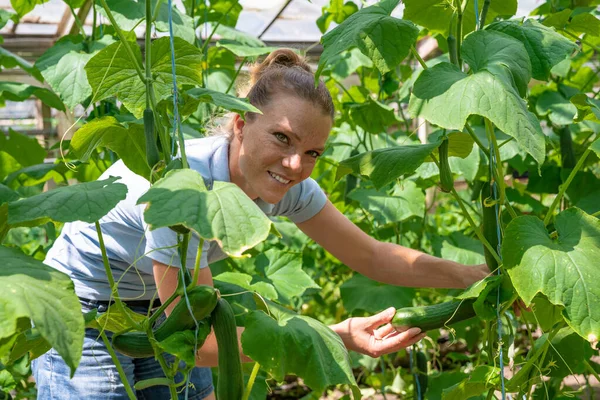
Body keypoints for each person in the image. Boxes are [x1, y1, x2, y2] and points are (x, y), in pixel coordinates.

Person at [32, 49, 488, 399]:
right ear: (239, 125)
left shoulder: (291, 187)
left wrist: (475, 279)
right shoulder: (181, 186)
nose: (295, 164)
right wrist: (334, 338)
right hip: (81, 309)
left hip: (157, 304)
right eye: (281, 137)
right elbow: (200, 339)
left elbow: (370, 254)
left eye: (312, 152)